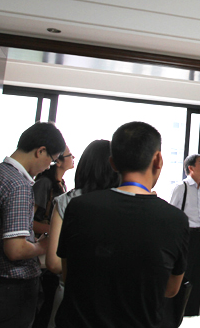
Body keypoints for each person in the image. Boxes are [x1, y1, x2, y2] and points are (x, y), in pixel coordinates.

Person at [55, 122, 189, 328]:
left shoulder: (78, 207)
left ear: (113, 163)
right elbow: (171, 289)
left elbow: (68, 274)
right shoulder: (175, 219)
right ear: (158, 160)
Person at [0, 122, 66, 328]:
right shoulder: (19, 184)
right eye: (52, 160)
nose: (49, 166)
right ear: (40, 151)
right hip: (13, 290)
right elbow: (15, 250)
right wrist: (43, 245)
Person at [44, 139, 120, 328]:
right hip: (112, 300)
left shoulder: (65, 201)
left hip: (70, 296)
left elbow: (53, 263)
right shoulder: (124, 205)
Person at [32, 146, 74, 328]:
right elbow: (28, 221)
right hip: (42, 252)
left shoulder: (61, 184)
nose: (73, 158)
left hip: (51, 251)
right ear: (58, 161)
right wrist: (54, 229)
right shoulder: (44, 184)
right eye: (69, 155)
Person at [169, 154, 200, 316]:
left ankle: (193, 315)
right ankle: (177, 315)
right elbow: (172, 215)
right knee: (182, 275)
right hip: (185, 236)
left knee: (197, 278)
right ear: (190, 168)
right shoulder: (181, 187)